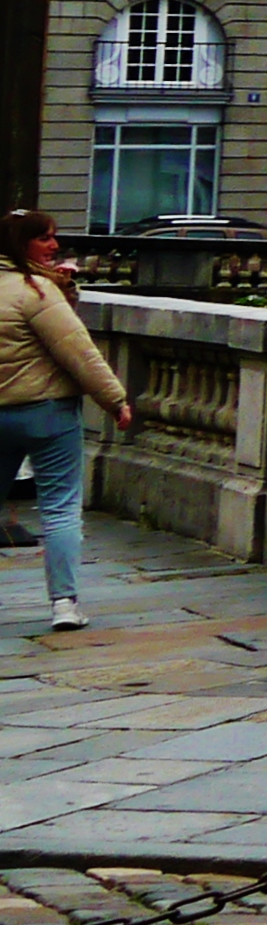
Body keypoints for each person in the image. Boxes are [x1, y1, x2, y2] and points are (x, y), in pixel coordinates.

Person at [0, 211, 130, 633]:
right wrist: (114, 400)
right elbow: (77, 350)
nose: (54, 245)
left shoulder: (40, 286)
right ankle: (64, 604)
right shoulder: (35, 291)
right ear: (20, 243)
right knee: (59, 507)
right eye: (44, 238)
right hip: (47, 412)